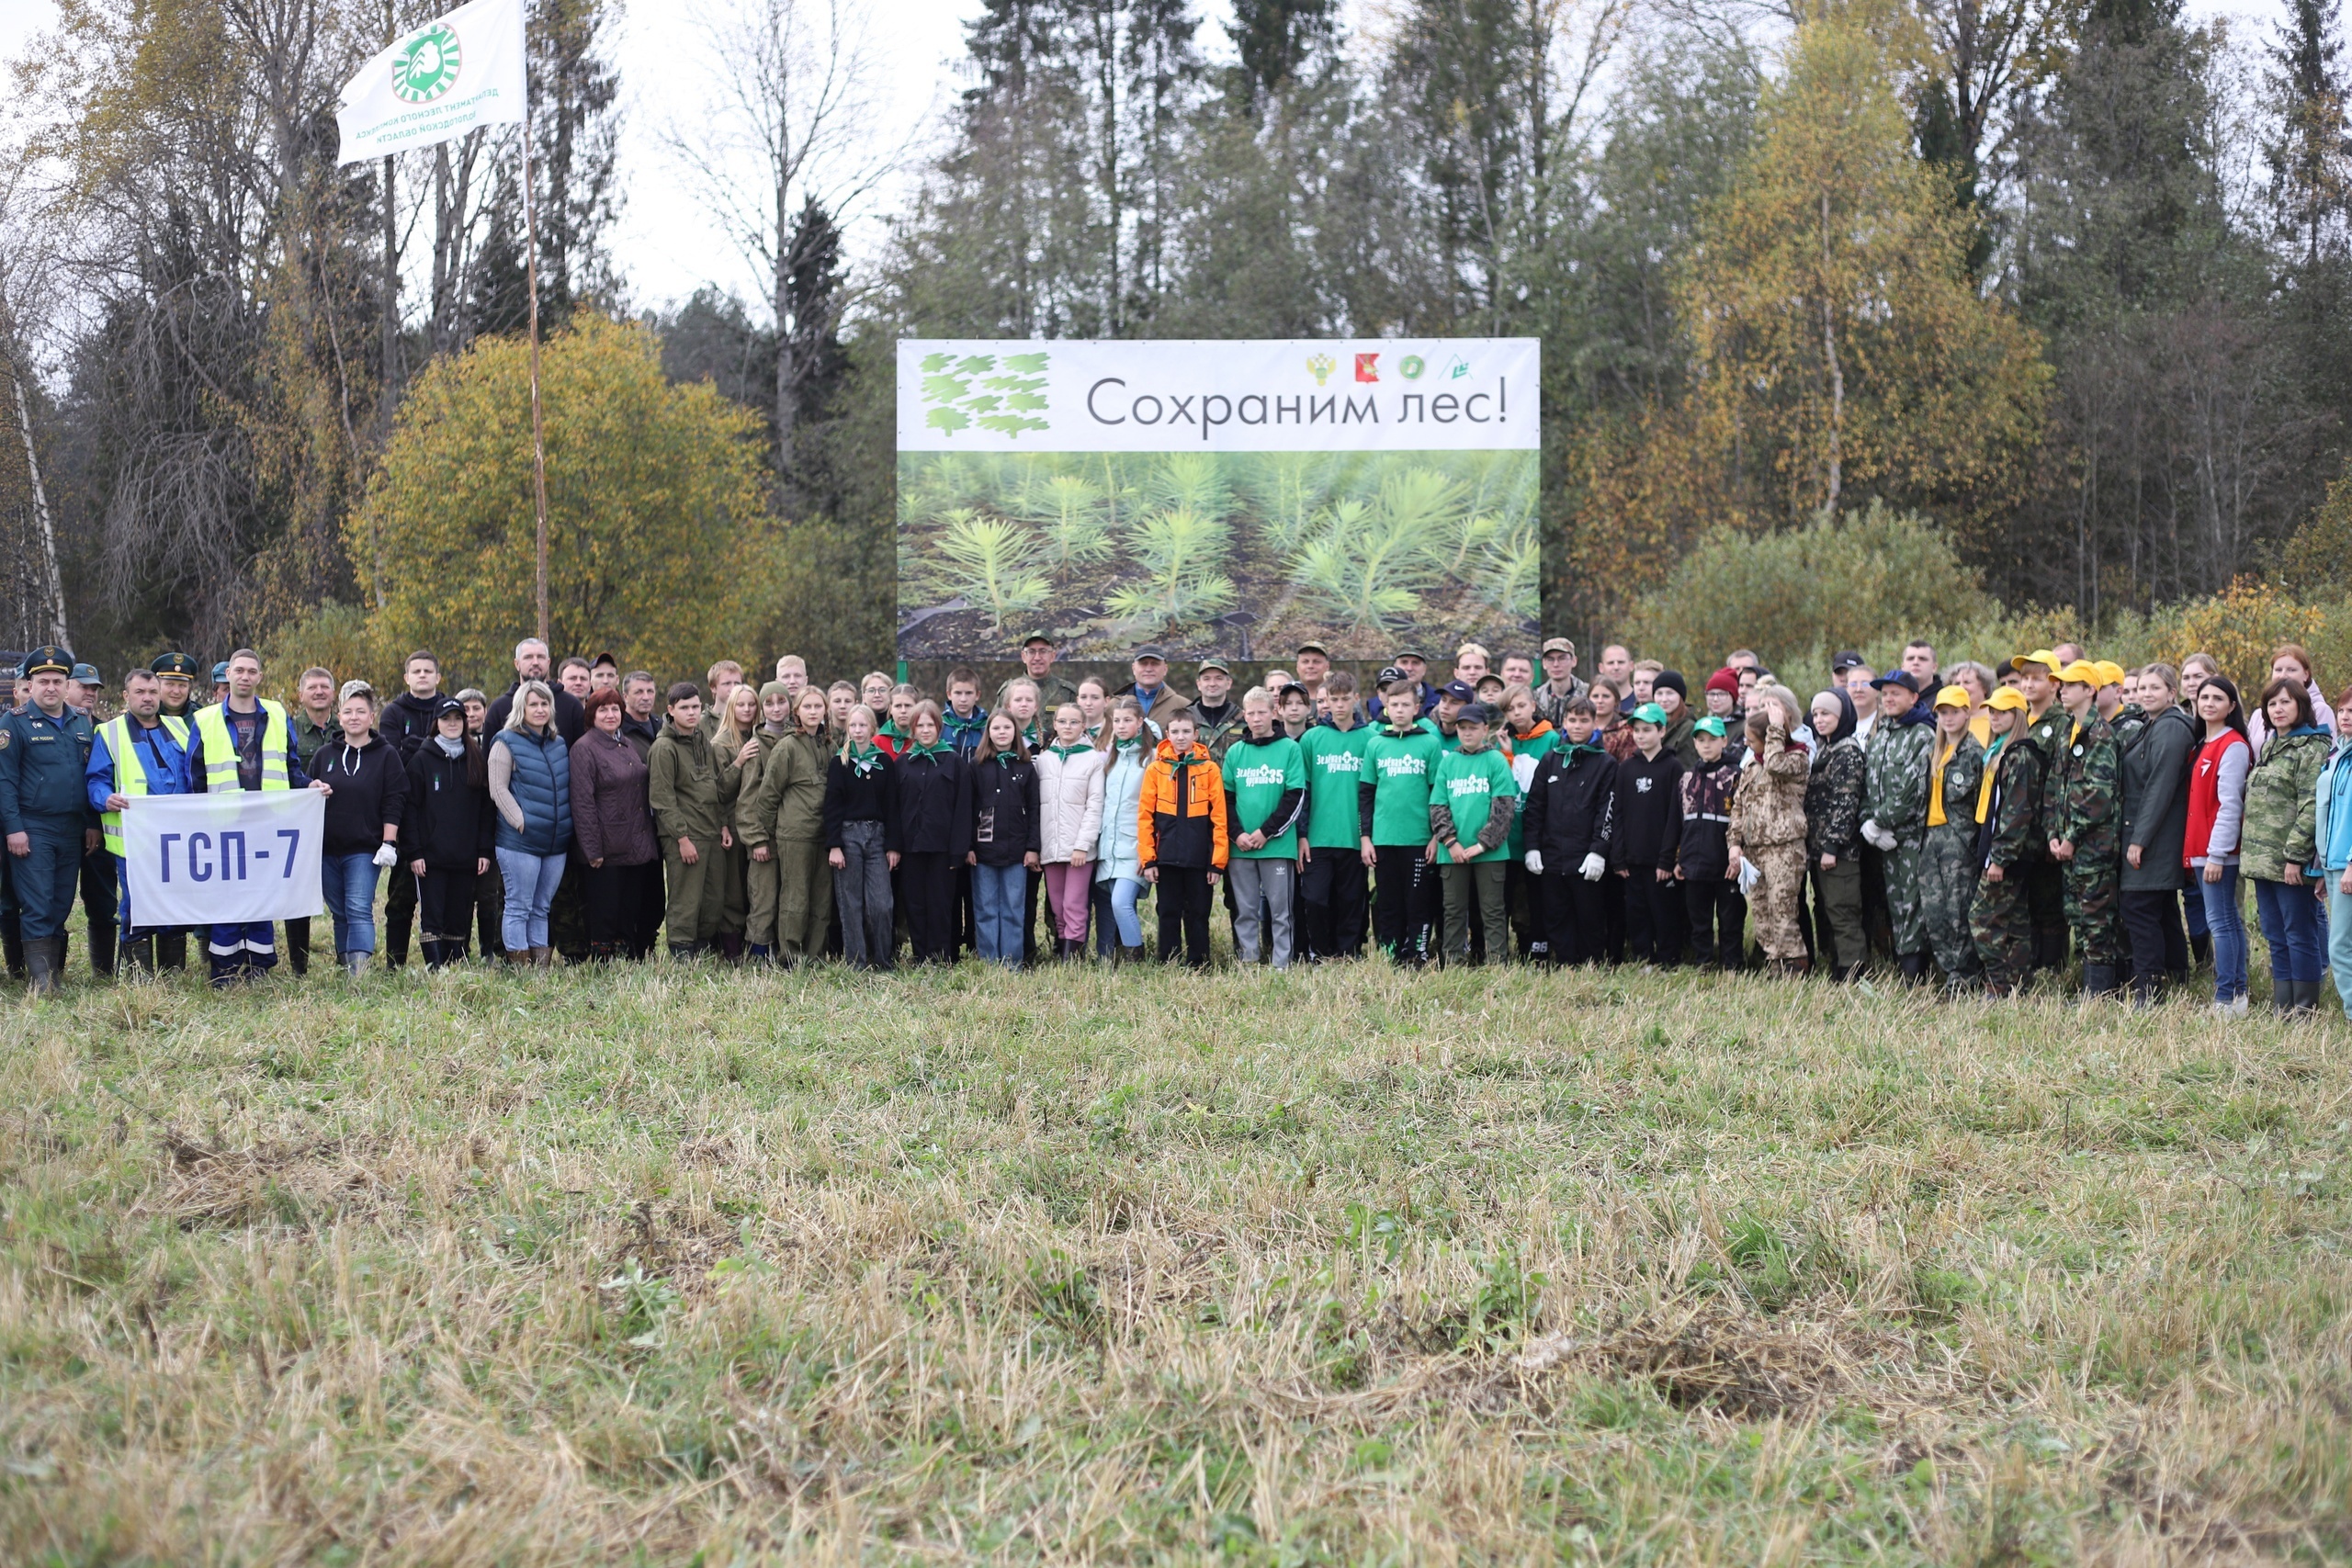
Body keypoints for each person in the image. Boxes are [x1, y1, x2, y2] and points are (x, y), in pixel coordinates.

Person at [187, 649, 324, 985]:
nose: (245, 676)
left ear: (260, 677)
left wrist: (310, 785)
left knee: (264, 893)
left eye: (251, 671)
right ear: (227, 676)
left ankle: (260, 965)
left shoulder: (278, 715)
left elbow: (291, 767)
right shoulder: (205, 719)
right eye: (239, 671)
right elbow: (194, 776)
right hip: (223, 824)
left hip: (267, 822)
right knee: (227, 896)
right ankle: (224, 969)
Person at [86, 666, 194, 973]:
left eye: (152, 692)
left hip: (178, 837)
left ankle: (172, 972)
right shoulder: (109, 732)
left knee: (174, 902)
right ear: (126, 695)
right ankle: (138, 975)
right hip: (134, 839)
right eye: (140, 692)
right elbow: (96, 780)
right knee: (137, 903)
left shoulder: (181, 728)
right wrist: (104, 798)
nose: (147, 698)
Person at [2241, 676, 2328, 1013]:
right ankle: (2284, 1006)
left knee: (2299, 933)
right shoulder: (2269, 746)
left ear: (2301, 706)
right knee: (2274, 933)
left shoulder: (2312, 747)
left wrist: (2295, 857)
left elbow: (2310, 807)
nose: (2278, 709)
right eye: (2272, 703)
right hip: (2262, 860)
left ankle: (2304, 1009)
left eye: (2285, 702)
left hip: (2290, 861)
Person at [308, 682, 407, 977]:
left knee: (358, 907)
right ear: (339, 717)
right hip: (326, 849)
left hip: (365, 849)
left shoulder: (386, 755)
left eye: (360, 711)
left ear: (371, 716)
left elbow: (394, 800)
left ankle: (359, 972)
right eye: (348, 711)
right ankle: (345, 962)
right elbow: (306, 795)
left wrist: (389, 842)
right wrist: (312, 787)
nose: (354, 717)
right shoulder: (324, 755)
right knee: (339, 912)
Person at [2046, 660, 2127, 998]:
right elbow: (2055, 787)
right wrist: (2052, 832)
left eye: (2070, 684)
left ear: (2090, 690)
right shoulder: (2068, 729)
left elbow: (2099, 795)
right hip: (2067, 846)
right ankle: (2087, 985)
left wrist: (2072, 837)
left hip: (2093, 848)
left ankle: (2100, 992)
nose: (2062, 689)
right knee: (2076, 916)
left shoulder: (2101, 734)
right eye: (2061, 684)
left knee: (2097, 921)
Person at [2120, 661, 2198, 1006]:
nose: (2146, 694)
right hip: (2151, 834)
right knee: (2162, 906)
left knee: (2138, 906)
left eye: (2154, 688)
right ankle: (2177, 974)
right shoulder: (2152, 725)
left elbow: (2160, 787)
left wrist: (2140, 839)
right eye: (2141, 689)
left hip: (2157, 836)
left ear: (2171, 693)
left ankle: (2148, 987)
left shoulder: (2171, 728)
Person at [402, 695, 494, 969]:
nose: (452, 724)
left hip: (466, 856)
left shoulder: (476, 757)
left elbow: (485, 810)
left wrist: (484, 850)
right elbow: (410, 810)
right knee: (433, 913)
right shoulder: (421, 759)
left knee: (459, 912)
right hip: (430, 857)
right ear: (436, 723)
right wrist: (414, 852)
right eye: (446, 719)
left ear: (465, 722)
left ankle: (455, 964)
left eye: (457, 718)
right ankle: (435, 966)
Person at [568, 688, 659, 964]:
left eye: (615, 709)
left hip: (636, 843)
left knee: (629, 909)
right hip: (605, 848)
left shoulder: (627, 743)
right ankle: (602, 963)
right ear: (591, 715)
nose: (610, 715)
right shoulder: (583, 748)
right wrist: (592, 849)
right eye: (603, 710)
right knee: (604, 910)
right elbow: (582, 803)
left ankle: (626, 959)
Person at [1523, 696, 1616, 965]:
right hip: (1552, 857)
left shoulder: (1606, 763)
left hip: (1586, 857)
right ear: (1563, 722)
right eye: (1572, 720)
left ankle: (1591, 964)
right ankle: (1564, 962)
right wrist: (1532, 847)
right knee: (1556, 914)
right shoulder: (1551, 759)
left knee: (1589, 915)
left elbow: (1607, 809)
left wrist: (1599, 850)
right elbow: (1535, 806)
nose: (1577, 726)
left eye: (1584, 720)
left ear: (1594, 722)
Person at [746, 688, 835, 965]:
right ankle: (791, 957)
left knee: (821, 899)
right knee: (795, 898)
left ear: (824, 710)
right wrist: (773, 833)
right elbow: (768, 796)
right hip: (795, 835)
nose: (812, 711)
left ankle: (815, 955)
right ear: (797, 712)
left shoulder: (830, 746)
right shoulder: (787, 747)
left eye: (817, 706)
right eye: (806, 706)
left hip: (826, 835)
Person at [1860, 671, 1938, 981]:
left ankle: (1916, 974)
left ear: (1913, 697)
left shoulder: (1922, 734)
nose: (1889, 699)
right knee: (1894, 903)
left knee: (1913, 904)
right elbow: (1867, 785)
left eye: (1896, 693)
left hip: (1911, 838)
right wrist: (1868, 822)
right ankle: (1902, 964)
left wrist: (1879, 822)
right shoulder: (1880, 736)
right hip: (1883, 839)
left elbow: (1913, 788)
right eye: (1885, 694)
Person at [488, 680, 571, 967]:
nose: (539, 709)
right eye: (533, 704)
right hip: (519, 842)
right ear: (521, 707)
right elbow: (498, 789)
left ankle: (540, 969)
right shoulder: (505, 741)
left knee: (541, 907)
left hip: (555, 841)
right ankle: (520, 966)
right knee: (519, 905)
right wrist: (520, 822)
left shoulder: (558, 744)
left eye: (544, 703)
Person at [1429, 702, 1518, 967]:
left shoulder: (1496, 760)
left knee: (1492, 911)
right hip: (1452, 853)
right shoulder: (1449, 763)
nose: (1467, 733)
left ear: (1485, 729)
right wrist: (1451, 842)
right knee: (1453, 911)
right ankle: (1453, 963)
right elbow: (1438, 806)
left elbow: (1504, 807)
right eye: (1462, 728)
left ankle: (1497, 963)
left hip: (1489, 853)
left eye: (1473, 728)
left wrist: (1482, 844)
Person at [1362, 678, 1442, 965]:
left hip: (1419, 840)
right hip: (1383, 839)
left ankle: (1417, 952)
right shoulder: (1375, 745)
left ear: (1416, 707)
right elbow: (1366, 794)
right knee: (1388, 901)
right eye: (1394, 704)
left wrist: (1436, 836)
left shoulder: (1430, 743)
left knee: (1418, 901)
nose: (1399, 710)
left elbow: (1438, 793)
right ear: (1385, 706)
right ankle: (1390, 953)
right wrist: (1366, 838)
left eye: (1405, 705)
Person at [1221, 688, 1305, 968]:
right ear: (1244, 715)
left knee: (1281, 912)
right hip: (1241, 848)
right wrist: (1237, 834)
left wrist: (1265, 832)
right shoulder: (1235, 752)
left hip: (1276, 846)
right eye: (1251, 713)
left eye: (1262, 712)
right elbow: (1226, 799)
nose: (1256, 718)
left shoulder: (1290, 749)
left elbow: (1295, 797)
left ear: (1274, 712)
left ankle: (1282, 964)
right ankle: (1249, 959)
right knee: (1245, 910)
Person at [1727, 694, 1810, 974]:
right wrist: (1734, 845)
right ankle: (1774, 962)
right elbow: (1739, 806)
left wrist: (1776, 728)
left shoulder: (1796, 758)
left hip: (1783, 848)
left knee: (1782, 908)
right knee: (1761, 911)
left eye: (1752, 740)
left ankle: (1794, 965)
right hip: (1755, 850)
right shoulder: (1751, 765)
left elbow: (1776, 765)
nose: (1747, 745)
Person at [374, 649, 447, 969]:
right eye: (415, 671)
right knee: (402, 897)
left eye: (428, 671)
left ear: (437, 677)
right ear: (406, 677)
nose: (422, 675)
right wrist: (427, 747)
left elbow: (452, 757)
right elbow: (393, 760)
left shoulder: (448, 708)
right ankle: (395, 963)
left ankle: (448, 959)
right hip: (405, 816)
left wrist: (414, 745)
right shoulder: (393, 712)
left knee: (446, 894)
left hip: (444, 814)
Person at [1969, 687, 2042, 997]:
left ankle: (1999, 982)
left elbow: (2016, 811)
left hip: (2009, 855)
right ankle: (2018, 983)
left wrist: (1999, 857)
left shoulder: (2021, 755)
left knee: (1982, 916)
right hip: (2003, 852)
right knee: (2013, 919)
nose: (1994, 717)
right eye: (1991, 711)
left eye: (2002, 712)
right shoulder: (1999, 751)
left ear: (2018, 716)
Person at [2186, 675, 2252, 1015]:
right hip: (2199, 850)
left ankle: (2227, 997)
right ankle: (2237, 994)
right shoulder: (2202, 744)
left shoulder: (2233, 745)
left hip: (2218, 854)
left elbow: (2230, 805)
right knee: (2225, 922)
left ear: (2231, 706)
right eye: (2204, 697)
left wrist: (2217, 854)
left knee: (2223, 923)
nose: (2209, 703)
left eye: (2217, 698)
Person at [1137, 709, 1226, 967]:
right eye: (1175, 731)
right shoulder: (1156, 770)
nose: (1181, 736)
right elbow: (1145, 817)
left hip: (1199, 859)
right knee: (1167, 911)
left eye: (1186, 731)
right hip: (1166, 858)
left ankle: (1199, 962)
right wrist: (1149, 860)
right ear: (1167, 735)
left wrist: (1217, 862)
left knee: (1199, 912)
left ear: (1196, 734)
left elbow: (1219, 818)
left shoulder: (1210, 770)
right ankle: (1168, 960)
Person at [1297, 671, 1371, 961]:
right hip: (1318, 836)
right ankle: (1321, 951)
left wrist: (1369, 834)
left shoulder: (1371, 738)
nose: (1338, 706)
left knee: (1352, 900)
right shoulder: (1311, 739)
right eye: (1333, 699)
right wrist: (1302, 835)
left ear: (1356, 699)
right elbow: (1303, 791)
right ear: (1324, 700)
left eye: (1344, 699)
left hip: (1354, 836)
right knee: (1315, 899)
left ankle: (1348, 951)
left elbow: (1372, 793)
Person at [649, 682, 724, 960]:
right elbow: (662, 799)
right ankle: (681, 950)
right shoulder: (663, 748)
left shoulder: (702, 740)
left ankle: (702, 946)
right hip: (685, 836)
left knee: (713, 899)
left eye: (695, 707)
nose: (691, 713)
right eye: (684, 708)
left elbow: (715, 786)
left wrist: (723, 824)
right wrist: (682, 839)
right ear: (670, 710)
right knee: (685, 899)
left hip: (710, 832)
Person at [892, 702, 972, 963]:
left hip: (943, 847)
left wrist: (958, 850)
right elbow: (895, 807)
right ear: (913, 729)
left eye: (930, 725)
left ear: (939, 727)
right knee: (915, 903)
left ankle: (942, 954)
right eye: (920, 725)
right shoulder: (903, 763)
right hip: (911, 846)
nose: (925, 730)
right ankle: (921, 953)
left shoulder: (954, 761)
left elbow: (963, 809)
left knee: (941, 903)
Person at [1918, 686, 1985, 990]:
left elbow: (1980, 807)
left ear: (1967, 712)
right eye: (1943, 713)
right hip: (1931, 838)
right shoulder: (1934, 751)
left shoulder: (1975, 754)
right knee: (1934, 911)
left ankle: (1967, 975)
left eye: (1954, 711)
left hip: (1959, 839)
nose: (1948, 718)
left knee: (1959, 909)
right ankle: (1949, 972)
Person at [825, 704, 899, 970]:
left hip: (877, 836)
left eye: (862, 725)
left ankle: (883, 959)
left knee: (881, 903)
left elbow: (892, 805)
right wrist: (834, 845)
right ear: (847, 729)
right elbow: (832, 806)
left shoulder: (884, 763)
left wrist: (893, 845)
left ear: (872, 728)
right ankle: (855, 961)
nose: (858, 731)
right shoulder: (839, 762)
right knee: (850, 902)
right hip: (848, 836)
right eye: (853, 726)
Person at [1611, 702, 1685, 966]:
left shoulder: (1674, 768)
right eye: (1637, 731)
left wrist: (1667, 859)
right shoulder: (1626, 769)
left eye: (1647, 730)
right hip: (1632, 859)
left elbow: (1675, 819)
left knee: (1664, 912)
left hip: (1660, 861)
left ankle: (1668, 960)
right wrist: (1618, 856)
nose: (1641, 736)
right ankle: (1643, 958)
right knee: (1637, 912)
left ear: (1662, 731)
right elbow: (1618, 813)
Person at [1034, 703, 1107, 961]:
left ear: (1083, 726)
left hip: (1078, 849)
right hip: (1050, 846)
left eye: (1074, 722)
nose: (1068, 727)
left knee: (1074, 904)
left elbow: (1095, 805)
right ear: (1054, 725)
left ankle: (1073, 956)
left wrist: (1083, 845)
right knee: (1056, 905)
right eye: (1062, 721)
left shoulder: (1093, 761)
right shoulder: (1043, 761)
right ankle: (1062, 948)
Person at [281, 664, 342, 978]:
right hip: (299, 827)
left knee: (343, 900)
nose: (319, 692)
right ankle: (298, 966)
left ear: (333, 693)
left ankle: (346, 961)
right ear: (301, 694)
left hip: (341, 822)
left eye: (324, 687)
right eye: (312, 687)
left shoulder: (346, 728)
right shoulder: (287, 728)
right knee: (298, 897)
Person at [1804, 687, 1868, 981]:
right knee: (1828, 909)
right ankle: (1836, 963)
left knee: (1843, 911)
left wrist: (1832, 846)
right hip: (1818, 848)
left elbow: (1846, 802)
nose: (1819, 719)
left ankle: (1853, 969)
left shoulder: (1847, 751)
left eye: (1826, 713)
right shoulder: (1824, 747)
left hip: (1839, 851)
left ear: (1842, 715)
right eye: (1815, 713)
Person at [967, 710, 1040, 967]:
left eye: (1007, 728)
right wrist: (968, 846)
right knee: (986, 908)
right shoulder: (976, 766)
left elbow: (1034, 809)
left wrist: (1033, 847)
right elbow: (968, 808)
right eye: (996, 728)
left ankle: (1012, 962)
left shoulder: (1025, 767)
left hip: (1017, 851)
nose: (1001, 733)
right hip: (983, 850)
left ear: (1015, 732)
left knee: (1013, 908)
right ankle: (989, 961)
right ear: (988, 733)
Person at [1678, 716, 1743, 970]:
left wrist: (1738, 856)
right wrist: (1679, 858)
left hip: (1725, 861)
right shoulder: (1687, 779)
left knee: (1731, 917)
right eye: (1701, 740)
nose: (1706, 745)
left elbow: (1741, 818)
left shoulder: (1735, 774)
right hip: (1694, 861)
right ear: (1694, 743)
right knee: (1699, 919)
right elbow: (1680, 822)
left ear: (1724, 741)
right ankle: (1704, 961)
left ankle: (1733, 964)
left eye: (1712, 740)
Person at [1094, 698, 1153, 963]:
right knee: (1109, 906)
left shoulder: (1150, 759)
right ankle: (1110, 955)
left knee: (1121, 902)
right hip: (1109, 847)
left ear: (1140, 722)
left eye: (1127, 720)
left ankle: (1136, 957)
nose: (1121, 725)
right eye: (1116, 720)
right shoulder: (1112, 757)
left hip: (1136, 847)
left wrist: (1150, 851)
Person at [708, 682, 763, 960]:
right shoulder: (720, 744)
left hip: (759, 824)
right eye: (740, 704)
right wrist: (739, 762)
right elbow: (718, 791)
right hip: (732, 824)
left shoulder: (762, 737)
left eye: (751, 704)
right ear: (731, 707)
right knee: (733, 890)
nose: (746, 709)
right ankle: (731, 951)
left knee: (756, 887)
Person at [2317, 682, 2352, 1022]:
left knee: (2339, 947)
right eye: (2342, 709)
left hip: (2348, 864)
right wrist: (2320, 868)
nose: (2345, 716)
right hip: (2332, 863)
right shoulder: (2337, 753)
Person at [485, 638, 587, 743]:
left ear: (548, 662)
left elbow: (581, 753)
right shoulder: (499, 708)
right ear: (517, 664)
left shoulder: (571, 705)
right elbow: (488, 756)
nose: (535, 662)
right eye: (528, 657)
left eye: (540, 657)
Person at [1005, 633, 1078, 714]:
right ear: (1023, 656)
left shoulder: (1068, 693)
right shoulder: (1008, 691)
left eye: (1043, 651)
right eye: (1031, 652)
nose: (1037, 658)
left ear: (1053, 656)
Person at [1190, 660, 1243, 758]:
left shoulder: (1243, 719)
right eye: (1206, 679)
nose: (1212, 683)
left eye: (1219, 678)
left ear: (1229, 683)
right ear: (1199, 684)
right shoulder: (1186, 718)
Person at [1534, 637, 1587, 724]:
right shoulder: (1536, 698)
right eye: (1550, 659)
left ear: (1574, 661)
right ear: (1544, 663)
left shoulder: (1588, 694)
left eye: (1562, 659)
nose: (1556, 664)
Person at [1652, 672, 1696, 768]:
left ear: (1680, 696)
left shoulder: (1688, 728)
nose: (1664, 699)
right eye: (1659, 693)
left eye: (1670, 693)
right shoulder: (1650, 724)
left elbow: (1686, 766)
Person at [942, 667, 989, 756]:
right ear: (949, 694)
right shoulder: (939, 726)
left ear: (977, 695)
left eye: (969, 693)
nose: (963, 699)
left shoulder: (987, 727)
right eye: (958, 693)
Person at [1124, 645, 1176, 722]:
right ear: (1134, 668)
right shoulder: (1114, 706)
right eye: (1143, 663)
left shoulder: (1182, 706)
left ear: (1165, 669)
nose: (1148, 669)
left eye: (1155, 663)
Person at [619, 672, 662, 758]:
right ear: (625, 697)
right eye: (639, 692)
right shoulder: (618, 731)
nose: (646, 697)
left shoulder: (662, 726)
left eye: (650, 691)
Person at [152, 652, 199, 722]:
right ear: (157, 686)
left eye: (182, 686)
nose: (176, 691)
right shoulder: (147, 716)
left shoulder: (201, 718)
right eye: (170, 684)